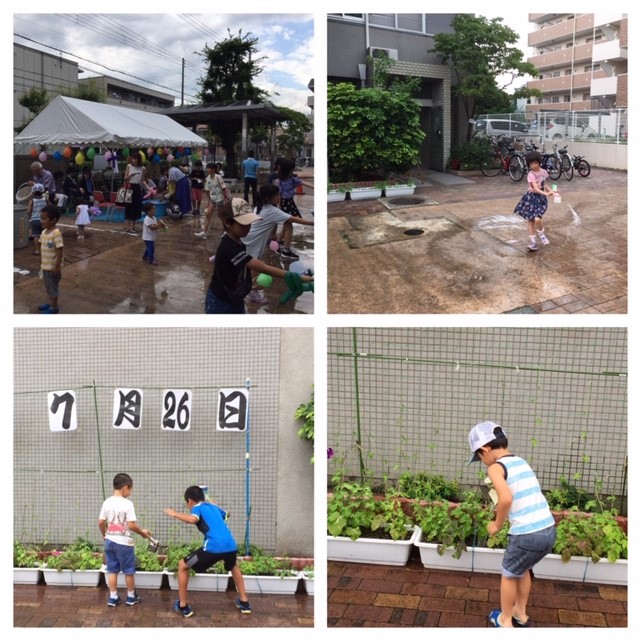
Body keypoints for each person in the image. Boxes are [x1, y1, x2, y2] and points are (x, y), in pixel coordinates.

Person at [468, 421, 555, 628]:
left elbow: (505, 499)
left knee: (508, 574)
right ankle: (520, 613)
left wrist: (497, 525)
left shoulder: (496, 468)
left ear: (485, 449)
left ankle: (505, 620)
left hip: (526, 535)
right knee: (523, 569)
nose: (482, 462)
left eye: (479, 457)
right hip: (548, 530)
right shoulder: (520, 461)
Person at [205, 198, 313, 314]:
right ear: (227, 222)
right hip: (220, 301)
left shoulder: (239, 241)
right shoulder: (229, 247)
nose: (248, 227)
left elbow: (238, 269)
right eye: (243, 224)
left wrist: (251, 283)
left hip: (234, 297)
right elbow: (262, 267)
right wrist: (297, 277)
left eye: (250, 223)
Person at [163, 485, 252, 617]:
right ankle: (244, 603)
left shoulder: (197, 508)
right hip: (231, 546)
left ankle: (183, 606)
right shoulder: (213, 506)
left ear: (190, 501)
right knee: (233, 566)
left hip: (212, 549)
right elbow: (227, 514)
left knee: (182, 565)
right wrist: (215, 504)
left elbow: (193, 519)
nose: (188, 507)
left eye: (187, 504)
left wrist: (175, 514)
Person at [243, 184, 314, 304]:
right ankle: (252, 292)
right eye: (277, 195)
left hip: (249, 239)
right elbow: (294, 219)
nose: (279, 196)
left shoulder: (260, 207)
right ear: (268, 198)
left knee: (250, 265)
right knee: (254, 266)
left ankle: (250, 289)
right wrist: (314, 223)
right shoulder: (272, 211)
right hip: (253, 242)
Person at [98, 473, 153, 608]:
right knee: (128, 570)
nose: (130, 492)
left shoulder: (107, 502)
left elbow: (100, 522)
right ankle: (130, 596)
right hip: (124, 542)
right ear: (125, 488)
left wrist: (105, 535)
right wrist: (143, 533)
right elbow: (131, 525)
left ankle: (113, 598)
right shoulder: (127, 504)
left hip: (109, 541)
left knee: (112, 570)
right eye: (130, 489)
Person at [513, 151, 557, 251]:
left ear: (539, 162)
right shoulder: (530, 174)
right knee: (531, 220)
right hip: (531, 198)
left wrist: (552, 191)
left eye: (535, 163)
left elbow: (543, 184)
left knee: (537, 219)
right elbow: (536, 188)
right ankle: (533, 243)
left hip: (540, 199)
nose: (534, 165)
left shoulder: (544, 172)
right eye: (531, 164)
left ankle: (541, 234)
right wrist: (547, 193)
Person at [273, 158, 314, 259]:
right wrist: (278, 208)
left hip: (289, 203)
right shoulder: (279, 182)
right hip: (284, 204)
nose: (293, 171)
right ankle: (286, 250)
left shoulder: (292, 179)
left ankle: (277, 243)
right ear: (287, 170)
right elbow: (278, 195)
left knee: (286, 225)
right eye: (291, 170)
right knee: (289, 227)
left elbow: (303, 183)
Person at [38, 204, 64, 314]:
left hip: (53, 268)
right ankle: (51, 303)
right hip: (45, 266)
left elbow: (60, 250)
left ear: (53, 220)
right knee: (48, 287)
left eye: (44, 219)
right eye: (41, 218)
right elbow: (40, 244)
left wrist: (57, 266)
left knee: (53, 288)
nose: (41, 221)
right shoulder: (44, 232)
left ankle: (54, 308)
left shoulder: (56, 233)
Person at [195, 162, 228, 239]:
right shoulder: (208, 178)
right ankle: (204, 232)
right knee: (208, 214)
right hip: (213, 199)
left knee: (220, 215)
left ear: (213, 170)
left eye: (209, 168)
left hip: (220, 198)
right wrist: (209, 199)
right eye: (207, 168)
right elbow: (207, 189)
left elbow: (223, 187)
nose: (207, 169)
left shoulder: (218, 177)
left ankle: (227, 230)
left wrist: (224, 197)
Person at [123, 151, 147, 235]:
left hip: (137, 188)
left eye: (135, 158)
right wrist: (130, 176)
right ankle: (127, 226)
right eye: (133, 158)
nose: (133, 160)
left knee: (136, 207)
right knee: (128, 206)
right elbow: (125, 179)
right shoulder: (129, 166)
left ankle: (133, 227)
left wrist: (147, 188)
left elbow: (142, 180)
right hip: (130, 187)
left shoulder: (142, 168)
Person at [141, 201, 167, 265]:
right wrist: (160, 224)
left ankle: (144, 256)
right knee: (151, 249)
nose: (155, 210)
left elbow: (155, 227)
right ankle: (151, 260)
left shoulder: (154, 218)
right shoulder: (146, 219)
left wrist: (161, 226)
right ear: (148, 211)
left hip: (151, 236)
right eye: (153, 209)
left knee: (148, 248)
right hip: (147, 237)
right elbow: (152, 227)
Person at [27, 183, 47, 255]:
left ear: (33, 192)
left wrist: (31, 216)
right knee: (44, 235)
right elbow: (50, 207)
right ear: (43, 191)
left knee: (36, 236)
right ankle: (45, 250)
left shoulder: (32, 201)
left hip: (34, 220)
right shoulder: (45, 200)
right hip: (44, 220)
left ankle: (37, 251)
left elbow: (29, 211)